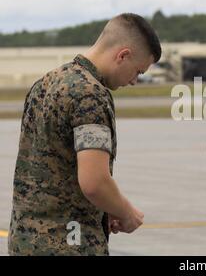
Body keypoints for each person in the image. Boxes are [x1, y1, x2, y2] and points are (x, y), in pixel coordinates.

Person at [8, 13, 161, 255]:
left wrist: (106, 206)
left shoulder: (46, 82)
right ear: (123, 55)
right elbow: (94, 182)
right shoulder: (90, 95)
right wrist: (126, 212)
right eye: (138, 72)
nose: (134, 81)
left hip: (25, 240)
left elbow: (51, 166)